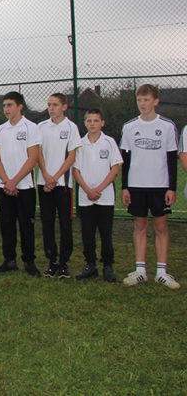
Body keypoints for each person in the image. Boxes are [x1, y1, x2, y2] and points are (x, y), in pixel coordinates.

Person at [120, 84, 180, 289]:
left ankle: (161, 272)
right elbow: (126, 160)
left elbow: (171, 159)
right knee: (140, 226)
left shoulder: (167, 126)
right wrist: (125, 187)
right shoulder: (129, 127)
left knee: (161, 226)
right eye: (139, 100)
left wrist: (171, 187)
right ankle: (140, 271)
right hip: (136, 185)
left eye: (146, 100)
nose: (142, 104)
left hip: (160, 185)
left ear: (156, 101)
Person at [0, 91, 41, 276]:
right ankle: (9, 260)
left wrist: (15, 181)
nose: (6, 109)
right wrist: (7, 181)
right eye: (4, 105)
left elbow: (33, 158)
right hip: (5, 186)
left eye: (10, 105)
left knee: (26, 225)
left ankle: (29, 261)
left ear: (20, 106)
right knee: (7, 225)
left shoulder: (31, 128)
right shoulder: (0, 130)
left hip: (24, 186)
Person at [72, 109, 122, 282]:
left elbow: (115, 169)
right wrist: (88, 190)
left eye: (96, 121)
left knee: (105, 233)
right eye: (89, 121)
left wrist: (98, 189)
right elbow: (76, 170)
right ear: (85, 123)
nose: (92, 124)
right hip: (85, 197)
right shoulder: (79, 144)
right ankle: (90, 265)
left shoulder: (109, 142)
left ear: (102, 123)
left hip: (105, 196)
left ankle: (107, 265)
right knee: (87, 233)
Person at [36, 93, 82, 278]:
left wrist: (55, 177)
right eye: (49, 105)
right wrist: (46, 176)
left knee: (65, 224)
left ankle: (64, 263)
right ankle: (51, 261)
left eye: (55, 105)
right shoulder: (41, 127)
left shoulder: (71, 128)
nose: (51, 108)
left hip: (63, 185)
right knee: (47, 223)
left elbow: (72, 156)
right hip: (44, 183)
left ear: (64, 107)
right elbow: (38, 153)